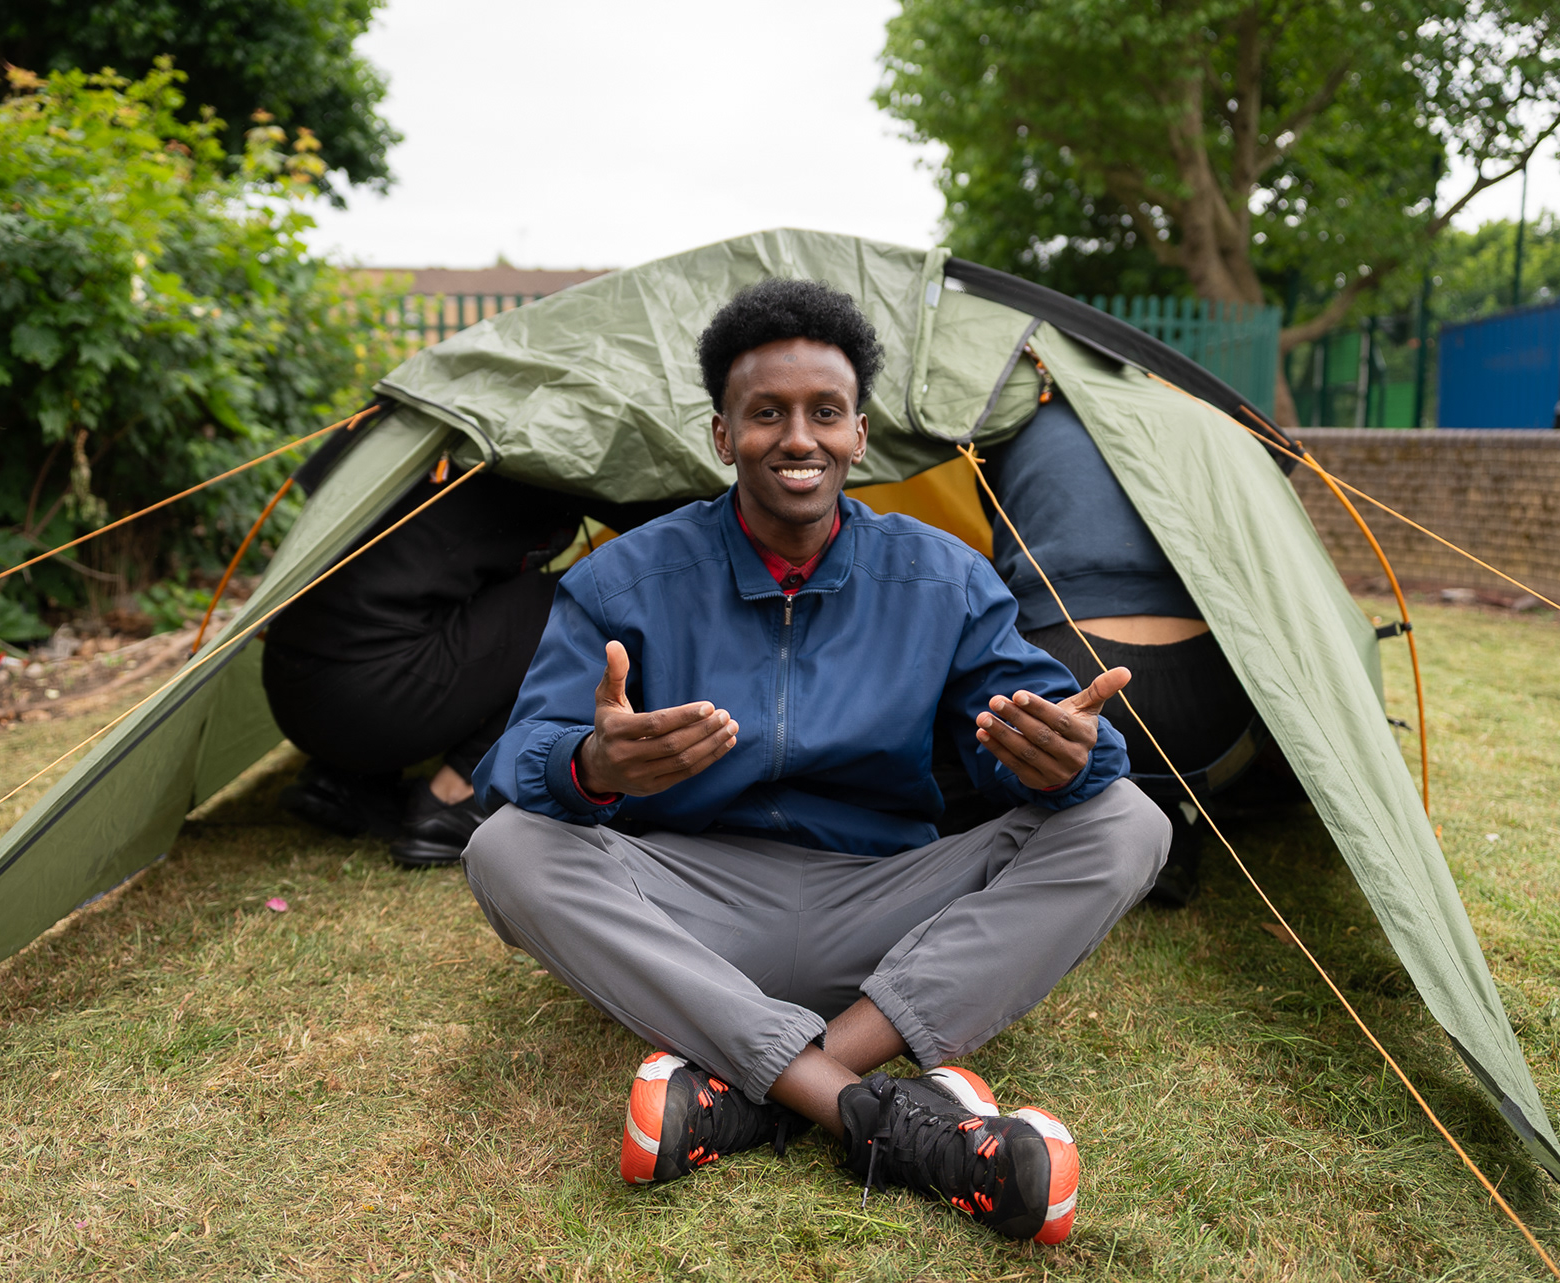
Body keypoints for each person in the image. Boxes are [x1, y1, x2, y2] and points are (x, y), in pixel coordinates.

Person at [464, 279, 1169, 1244]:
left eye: (825, 412)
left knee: (1128, 819)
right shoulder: (624, 578)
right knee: (506, 848)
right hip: (692, 910)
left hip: (882, 905)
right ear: (723, 436)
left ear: (859, 434)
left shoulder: (944, 576)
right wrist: (591, 763)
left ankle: (765, 1095)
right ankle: (871, 1115)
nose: (799, 437)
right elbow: (517, 760)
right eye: (767, 413)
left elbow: (1036, 730)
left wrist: (1066, 758)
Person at [262, 470, 671, 866]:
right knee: (594, 594)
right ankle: (452, 797)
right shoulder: (561, 457)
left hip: (289, 682)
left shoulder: (442, 446)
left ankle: (348, 780)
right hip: (374, 701)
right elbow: (671, 520)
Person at [978, 394, 1293, 905]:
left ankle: (1068, 824)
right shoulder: (1189, 413)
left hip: (1068, 668)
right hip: (1221, 710)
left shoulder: (1004, 418)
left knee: (1001, 700)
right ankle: (1182, 816)